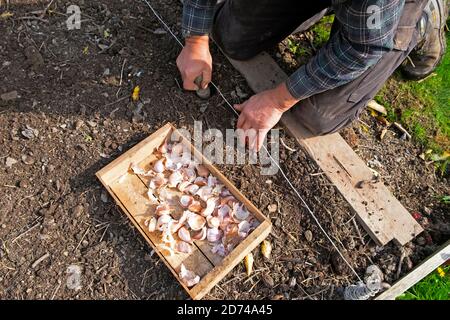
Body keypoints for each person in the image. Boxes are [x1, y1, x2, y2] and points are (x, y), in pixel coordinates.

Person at [176, 0, 448, 151]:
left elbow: (363, 48)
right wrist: (196, 42)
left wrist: (277, 101)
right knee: (231, 36)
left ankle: (422, 17)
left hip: (380, 16)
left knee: (317, 115)